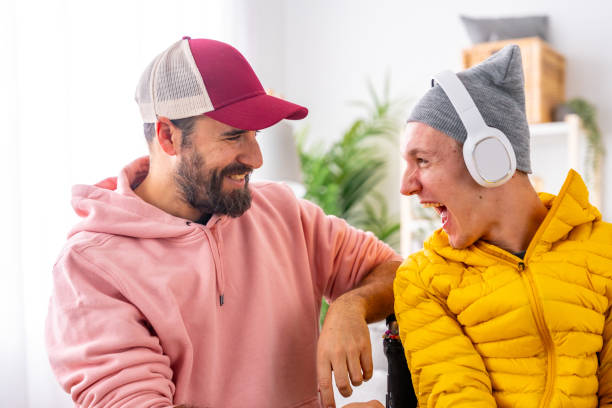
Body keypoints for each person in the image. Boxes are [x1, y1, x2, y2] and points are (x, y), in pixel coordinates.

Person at [45, 36, 402, 408]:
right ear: (168, 136)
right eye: (234, 135)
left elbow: (397, 274)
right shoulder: (91, 267)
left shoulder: (282, 210)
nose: (256, 158)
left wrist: (352, 305)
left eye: (255, 134)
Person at [393, 44, 612, 407]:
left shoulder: (603, 251)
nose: (406, 186)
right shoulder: (424, 279)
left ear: (488, 157)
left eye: (422, 160)